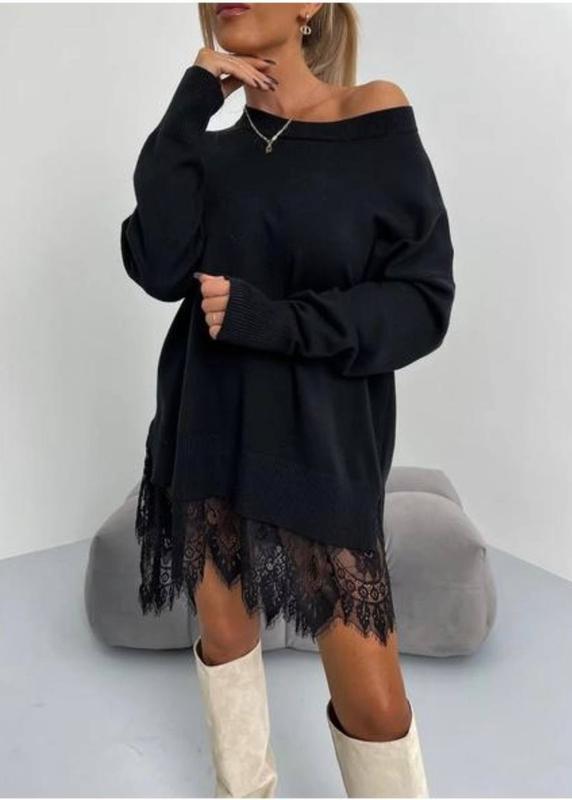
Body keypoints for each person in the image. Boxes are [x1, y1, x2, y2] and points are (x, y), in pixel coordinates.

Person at [120, 3, 455, 797]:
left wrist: (276, 321)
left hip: (321, 444)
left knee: (375, 707)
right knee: (226, 638)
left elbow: (422, 300)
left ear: (309, 5)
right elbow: (158, 264)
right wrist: (192, 100)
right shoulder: (205, 151)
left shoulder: (372, 114)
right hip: (208, 427)